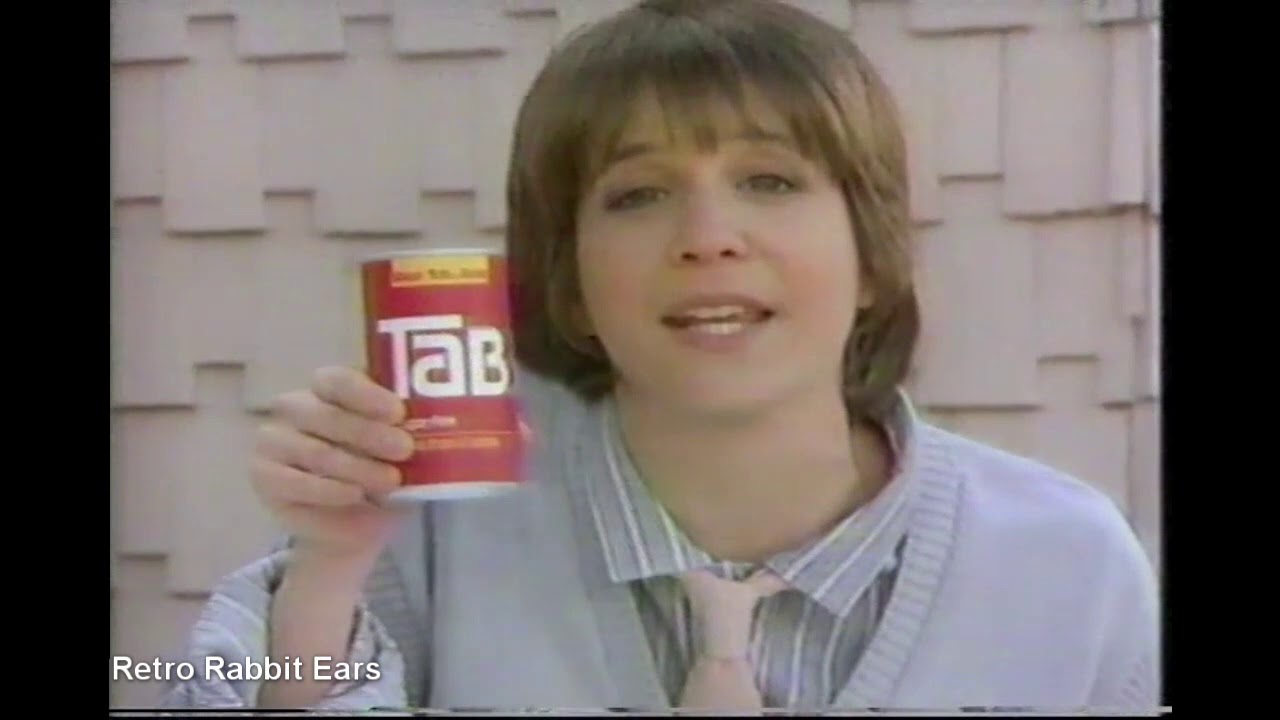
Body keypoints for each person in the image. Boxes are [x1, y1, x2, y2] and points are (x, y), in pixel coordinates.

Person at [159, 0, 1161, 712]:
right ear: (570, 285)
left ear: (873, 255)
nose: (707, 238)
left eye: (770, 181)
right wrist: (330, 573)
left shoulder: (1069, 566)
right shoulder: (426, 538)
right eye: (637, 195)